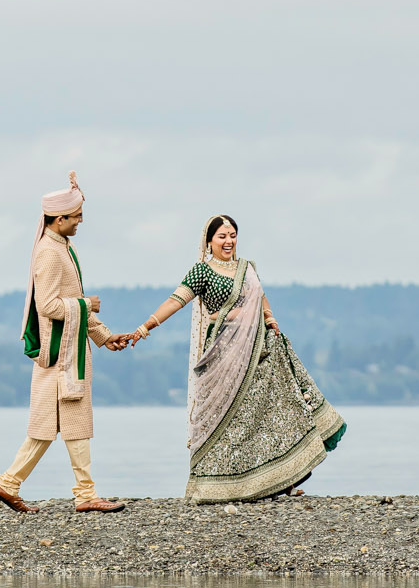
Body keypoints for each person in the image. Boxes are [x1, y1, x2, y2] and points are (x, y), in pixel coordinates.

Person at [121, 214, 345, 503]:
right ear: (209, 241)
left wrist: (270, 318)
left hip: (258, 347)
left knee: (265, 412)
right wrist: (144, 328)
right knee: (221, 418)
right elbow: (175, 301)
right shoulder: (201, 272)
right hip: (223, 350)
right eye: (222, 237)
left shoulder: (247, 268)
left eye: (232, 235)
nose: (228, 242)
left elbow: (260, 297)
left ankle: (279, 480)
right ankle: (217, 485)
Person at [0, 172, 131, 513]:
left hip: (67, 353)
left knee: (58, 427)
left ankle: (9, 484)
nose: (81, 221)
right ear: (59, 218)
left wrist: (103, 335)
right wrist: (88, 306)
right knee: (68, 425)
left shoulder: (63, 247)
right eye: (77, 216)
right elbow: (49, 306)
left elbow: (70, 297)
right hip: (60, 358)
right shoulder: (50, 253)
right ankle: (84, 495)